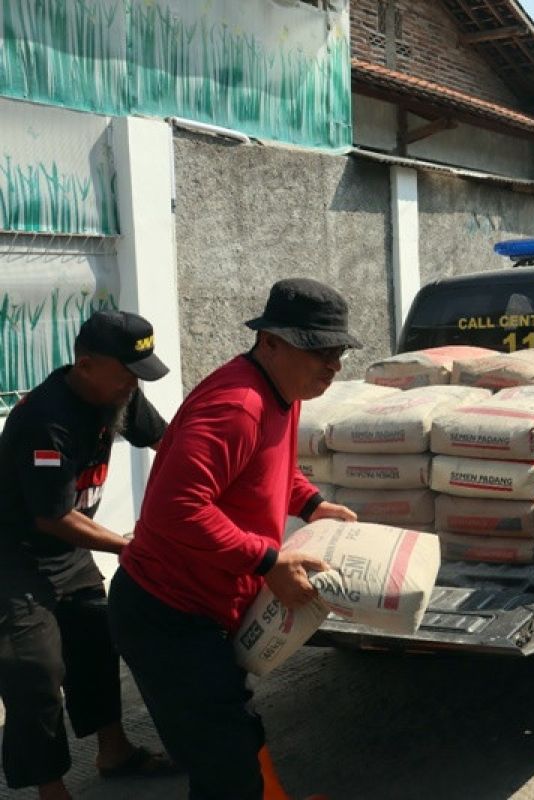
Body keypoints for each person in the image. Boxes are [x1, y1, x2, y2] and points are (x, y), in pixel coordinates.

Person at [108, 279, 362, 800]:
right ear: (269, 342)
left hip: (203, 611)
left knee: (232, 745)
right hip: (167, 615)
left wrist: (312, 503)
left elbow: (268, 471)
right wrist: (267, 559)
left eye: (337, 351)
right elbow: (176, 508)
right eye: (317, 349)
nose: (332, 364)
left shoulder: (282, 393)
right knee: (227, 769)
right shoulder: (237, 406)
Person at [0, 311, 174, 800]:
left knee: (98, 639)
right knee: (35, 669)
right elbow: (51, 517)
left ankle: (113, 752)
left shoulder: (118, 393)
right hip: (14, 553)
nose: (133, 386)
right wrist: (130, 545)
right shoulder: (44, 420)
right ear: (86, 364)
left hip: (68, 551)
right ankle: (51, 790)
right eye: (127, 374)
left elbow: (170, 443)